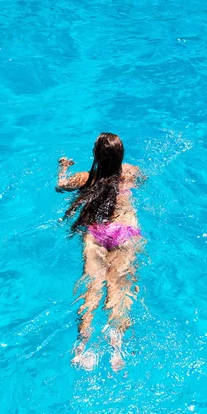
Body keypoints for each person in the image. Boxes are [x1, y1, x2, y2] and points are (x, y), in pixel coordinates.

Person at [56, 133, 144, 371]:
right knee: (119, 285)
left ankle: (82, 345)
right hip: (124, 231)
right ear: (121, 155)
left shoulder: (85, 178)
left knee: (92, 287)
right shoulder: (130, 172)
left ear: (95, 155)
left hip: (96, 233)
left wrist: (62, 167)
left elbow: (60, 186)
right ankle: (116, 345)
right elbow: (142, 181)